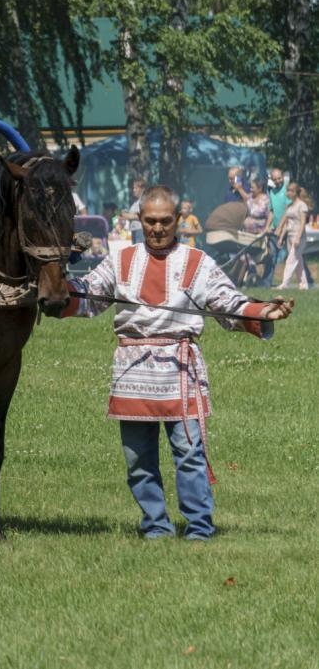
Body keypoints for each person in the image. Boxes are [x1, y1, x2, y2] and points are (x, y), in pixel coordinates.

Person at [59, 185, 293, 540]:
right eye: (150, 221)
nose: (157, 228)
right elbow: (89, 294)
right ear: (139, 220)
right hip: (132, 372)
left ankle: (200, 528)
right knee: (138, 461)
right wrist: (56, 293)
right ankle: (156, 527)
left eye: (165, 221)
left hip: (181, 372)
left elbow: (226, 302)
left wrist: (263, 310)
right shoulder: (120, 260)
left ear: (178, 221)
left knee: (189, 453)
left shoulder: (198, 262)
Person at [276, 185, 310, 290]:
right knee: (298, 261)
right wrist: (281, 237)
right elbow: (287, 224)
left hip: (298, 236)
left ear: (296, 192)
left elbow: (303, 222)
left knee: (290, 261)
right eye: (287, 190)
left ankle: (284, 284)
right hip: (289, 236)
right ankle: (303, 285)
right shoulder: (290, 206)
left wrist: (298, 237)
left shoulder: (302, 205)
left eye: (291, 191)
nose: (288, 193)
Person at [121, 178, 146, 244]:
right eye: (133, 188)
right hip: (134, 230)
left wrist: (128, 216)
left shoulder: (144, 200)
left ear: (142, 189)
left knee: (140, 251)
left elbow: (144, 215)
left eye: (136, 188)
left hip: (141, 230)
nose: (134, 190)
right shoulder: (136, 202)